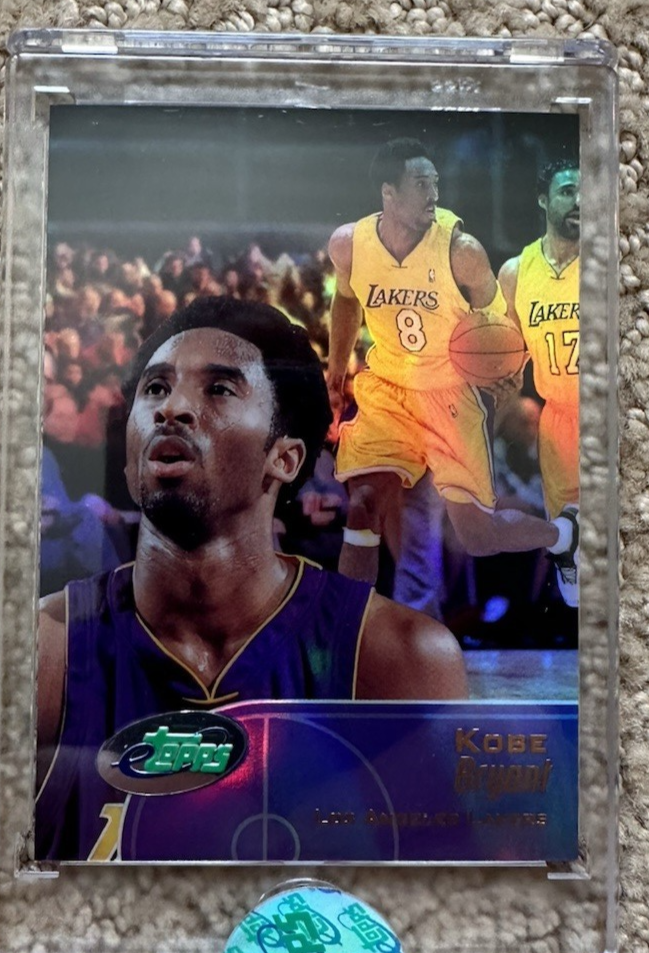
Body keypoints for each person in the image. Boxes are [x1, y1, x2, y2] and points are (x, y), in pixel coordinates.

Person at [35, 296, 467, 861]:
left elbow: (435, 906)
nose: (173, 408)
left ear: (285, 459)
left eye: (218, 389)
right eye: (156, 388)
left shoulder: (400, 659)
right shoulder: (45, 650)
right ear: (128, 456)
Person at [327, 137, 579, 595]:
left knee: (477, 537)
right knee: (362, 502)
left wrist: (504, 372)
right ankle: (346, 625)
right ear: (389, 193)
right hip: (388, 387)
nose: (434, 193)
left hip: (450, 393)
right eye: (421, 184)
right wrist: (336, 369)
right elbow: (345, 300)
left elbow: (498, 323)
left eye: (435, 183)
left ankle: (564, 534)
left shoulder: (461, 250)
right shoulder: (350, 245)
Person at [498, 159, 580, 605]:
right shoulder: (515, 273)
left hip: (614, 416)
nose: (580, 201)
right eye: (567, 191)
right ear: (543, 199)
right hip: (558, 420)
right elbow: (508, 369)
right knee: (573, 576)